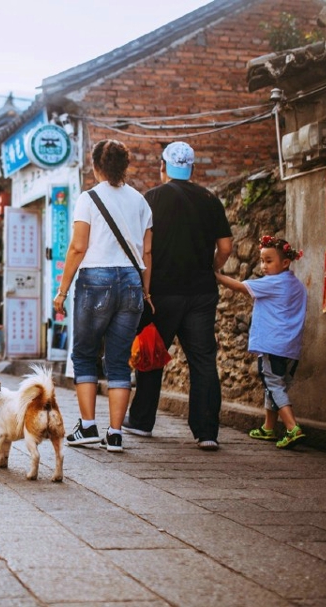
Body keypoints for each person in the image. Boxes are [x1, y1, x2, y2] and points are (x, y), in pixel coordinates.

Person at [123, 141, 233, 451]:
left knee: (152, 354)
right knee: (203, 360)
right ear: (192, 169)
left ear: (162, 167)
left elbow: (140, 247)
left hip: (162, 292)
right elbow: (225, 248)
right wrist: (209, 268)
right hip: (200, 292)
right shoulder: (210, 200)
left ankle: (142, 421)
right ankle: (207, 431)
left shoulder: (152, 199)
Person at [53, 139, 153, 453]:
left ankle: (87, 427)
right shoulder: (140, 201)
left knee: (84, 354)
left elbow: (78, 247)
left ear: (96, 167)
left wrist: (63, 289)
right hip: (132, 281)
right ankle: (115, 433)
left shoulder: (88, 198)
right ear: (125, 167)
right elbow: (147, 251)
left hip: (96, 278)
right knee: (119, 362)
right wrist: (146, 290)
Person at [215, 236, 307, 449]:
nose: (263, 266)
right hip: (291, 348)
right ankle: (268, 427)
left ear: (285, 263)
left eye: (269, 261)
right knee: (275, 385)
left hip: (272, 345)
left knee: (274, 385)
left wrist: (217, 276)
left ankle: (292, 428)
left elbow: (240, 287)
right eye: (262, 261)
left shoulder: (274, 283)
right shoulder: (297, 286)